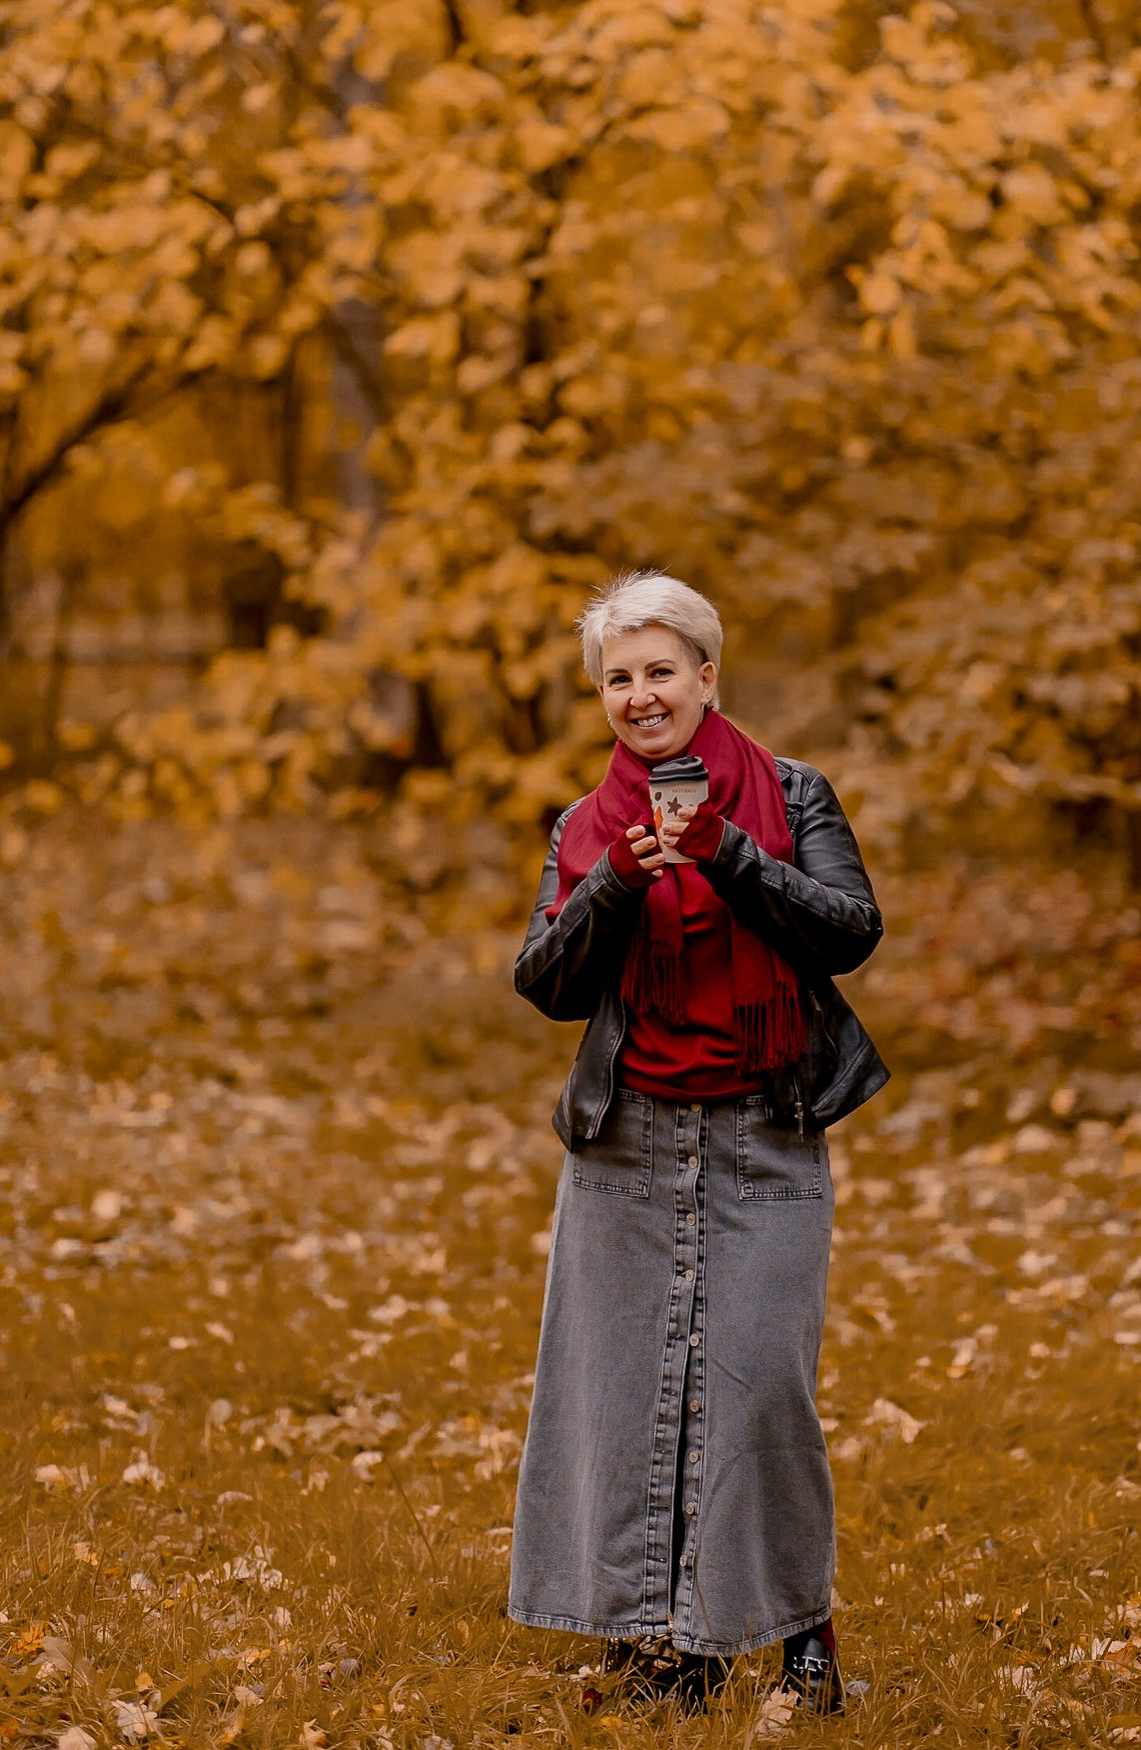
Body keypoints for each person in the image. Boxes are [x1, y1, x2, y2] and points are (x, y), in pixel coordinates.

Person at [508, 572, 888, 1714]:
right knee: (628, 1392)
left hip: (764, 1128)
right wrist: (620, 879)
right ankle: (662, 1649)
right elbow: (547, 984)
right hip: (625, 1139)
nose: (639, 694)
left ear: (707, 674)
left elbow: (849, 929)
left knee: (760, 1388)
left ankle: (801, 1641)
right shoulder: (585, 827)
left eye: (659, 669)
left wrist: (724, 853)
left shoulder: (790, 791)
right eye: (616, 678)